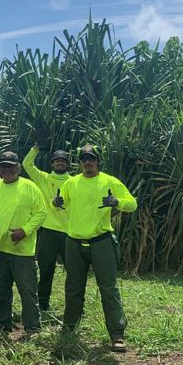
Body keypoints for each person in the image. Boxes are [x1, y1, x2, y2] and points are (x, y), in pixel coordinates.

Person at [57, 145, 137, 352]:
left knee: (108, 288)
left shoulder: (109, 181)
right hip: (74, 242)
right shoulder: (71, 183)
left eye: (91, 158)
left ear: (97, 161)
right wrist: (55, 201)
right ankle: (69, 327)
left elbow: (132, 204)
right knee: (73, 287)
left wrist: (116, 202)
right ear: (80, 162)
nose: (87, 162)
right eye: (83, 159)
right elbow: (60, 201)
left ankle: (117, 334)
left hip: (101, 241)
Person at [0, 151, 47, 333]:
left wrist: (24, 231)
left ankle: (32, 326)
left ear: (18, 167)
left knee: (27, 291)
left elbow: (41, 213)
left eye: (11, 165)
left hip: (23, 250)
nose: (7, 169)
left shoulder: (30, 187)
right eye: (3, 166)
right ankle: (3, 323)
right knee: (0, 290)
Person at [23, 144, 72, 312]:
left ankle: (73, 306)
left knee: (73, 273)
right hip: (48, 232)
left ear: (67, 164)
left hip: (69, 233)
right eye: (57, 161)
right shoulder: (43, 178)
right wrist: (36, 148)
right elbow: (27, 165)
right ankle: (42, 305)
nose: (60, 163)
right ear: (52, 164)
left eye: (63, 161)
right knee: (46, 270)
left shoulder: (74, 181)